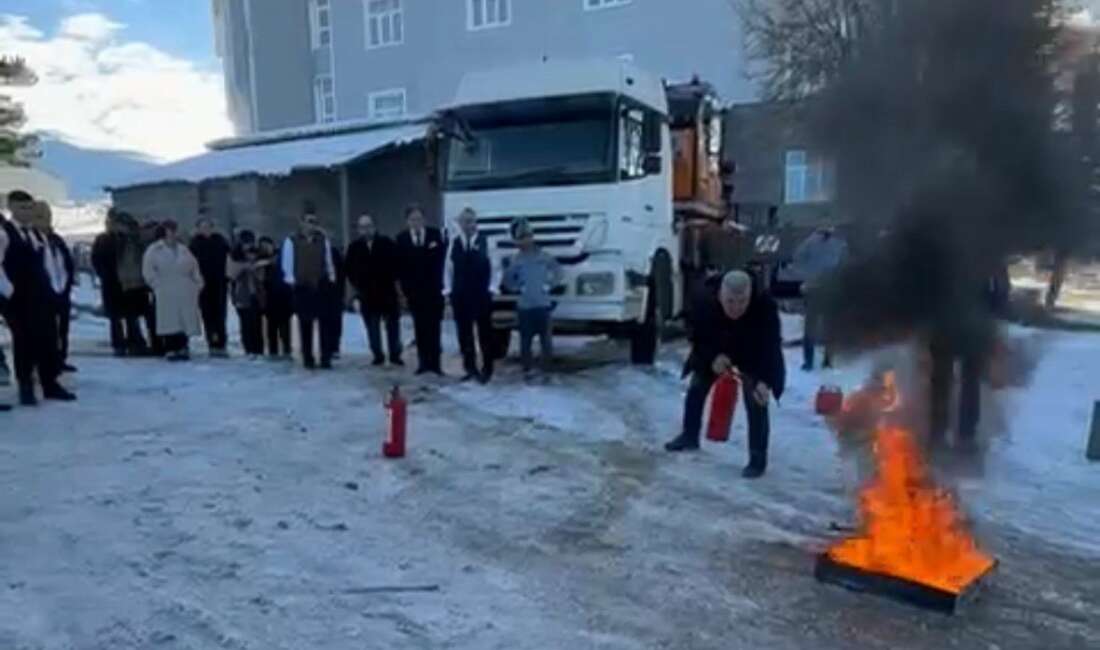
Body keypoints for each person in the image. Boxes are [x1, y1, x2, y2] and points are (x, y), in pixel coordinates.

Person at [664, 270, 786, 479]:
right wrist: (713, 358)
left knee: (756, 400)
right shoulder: (703, 300)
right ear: (720, 295)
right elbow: (696, 335)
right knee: (697, 386)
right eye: (730, 301)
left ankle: (757, 459)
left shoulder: (765, 306)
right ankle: (689, 434)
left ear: (750, 296)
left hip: (751, 354)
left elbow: (771, 347)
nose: (736, 308)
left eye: (742, 301)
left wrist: (765, 381)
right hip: (715, 347)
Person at [0, 190, 76, 405]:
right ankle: (26, 387)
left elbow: (49, 264)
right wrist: (9, 292)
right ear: (12, 208)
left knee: (48, 339)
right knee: (24, 343)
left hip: (41, 297)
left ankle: (49, 382)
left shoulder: (35, 234)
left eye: (29, 208)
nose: (27, 212)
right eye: (22, 208)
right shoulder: (4, 234)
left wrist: (54, 289)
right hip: (19, 300)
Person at [928, 264, 1011, 450]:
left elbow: (1000, 287)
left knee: (948, 381)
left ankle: (944, 433)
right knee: (961, 381)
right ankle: (958, 434)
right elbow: (1001, 288)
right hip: (960, 323)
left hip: (957, 323)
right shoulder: (986, 248)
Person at [444, 208, 499, 383]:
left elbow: (496, 268)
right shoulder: (454, 243)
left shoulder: (487, 242)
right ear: (459, 224)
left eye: (471, 221)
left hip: (481, 294)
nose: (468, 225)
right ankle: (470, 368)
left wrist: (492, 289)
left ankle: (487, 368)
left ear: (476, 222)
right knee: (464, 333)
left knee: (485, 332)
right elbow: (448, 269)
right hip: (460, 295)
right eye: (464, 221)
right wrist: (448, 291)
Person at [503, 218, 562, 380]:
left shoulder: (545, 256)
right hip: (525, 307)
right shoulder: (515, 259)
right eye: (521, 238)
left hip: (543, 305)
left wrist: (549, 285)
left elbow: (558, 272)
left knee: (546, 342)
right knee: (525, 342)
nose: (525, 241)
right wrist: (517, 288)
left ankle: (547, 372)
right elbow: (508, 280)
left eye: (527, 236)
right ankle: (527, 371)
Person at [281, 207, 337, 369]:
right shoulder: (291, 241)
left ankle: (325, 357)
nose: (312, 225)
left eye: (315, 222)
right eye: (309, 221)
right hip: (302, 287)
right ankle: (308, 357)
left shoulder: (322, 240)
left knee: (324, 322)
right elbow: (288, 264)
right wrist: (292, 281)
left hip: (320, 285)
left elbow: (328, 261)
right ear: (302, 223)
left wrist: (331, 277)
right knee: (305, 323)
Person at [345, 214, 403, 366]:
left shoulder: (387, 243)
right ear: (358, 230)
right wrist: (358, 287)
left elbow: (397, 265)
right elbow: (349, 270)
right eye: (362, 227)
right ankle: (378, 355)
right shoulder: (354, 248)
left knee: (392, 326)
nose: (366, 230)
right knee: (372, 327)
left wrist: (394, 284)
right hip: (367, 294)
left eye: (369, 226)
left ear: (374, 227)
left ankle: (395, 354)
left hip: (387, 292)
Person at [142, 220, 204, 361]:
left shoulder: (183, 249)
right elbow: (148, 270)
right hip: (165, 288)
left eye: (173, 230)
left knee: (184, 318)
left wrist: (197, 283)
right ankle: (171, 348)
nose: (172, 233)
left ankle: (183, 346)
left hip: (184, 287)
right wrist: (156, 285)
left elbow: (194, 267)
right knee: (169, 319)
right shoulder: (154, 250)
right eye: (169, 230)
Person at [396, 205, 446, 376]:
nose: (416, 222)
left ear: (424, 220)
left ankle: (436, 364)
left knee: (434, 328)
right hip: (415, 292)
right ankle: (423, 363)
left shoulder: (435, 235)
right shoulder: (402, 239)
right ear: (407, 221)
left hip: (434, 290)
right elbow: (401, 267)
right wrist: (404, 291)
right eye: (412, 219)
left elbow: (441, 262)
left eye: (419, 219)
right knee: (420, 328)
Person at [790, 226, 847, 370]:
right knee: (830, 325)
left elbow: (797, 258)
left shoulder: (809, 242)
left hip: (813, 289)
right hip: (830, 288)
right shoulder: (838, 243)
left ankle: (808, 362)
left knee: (810, 327)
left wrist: (805, 276)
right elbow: (844, 263)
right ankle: (828, 360)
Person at [36, 202, 77, 373]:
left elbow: (67, 263)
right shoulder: (33, 240)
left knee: (62, 329)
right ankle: (45, 364)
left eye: (47, 216)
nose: (45, 220)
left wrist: (67, 286)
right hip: (43, 296)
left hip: (61, 293)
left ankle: (60, 359)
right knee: (45, 332)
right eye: (41, 216)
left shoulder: (56, 240)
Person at [190, 217, 231, 357]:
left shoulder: (220, 241)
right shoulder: (194, 244)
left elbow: (230, 258)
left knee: (220, 312)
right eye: (203, 227)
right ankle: (211, 340)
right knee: (207, 313)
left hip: (219, 282)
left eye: (208, 226)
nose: (206, 229)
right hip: (202, 283)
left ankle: (222, 340)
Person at [226, 230, 269, 358]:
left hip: (257, 294)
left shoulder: (258, 254)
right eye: (245, 243)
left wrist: (256, 267)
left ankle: (258, 349)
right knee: (246, 323)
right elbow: (230, 274)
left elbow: (263, 275)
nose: (248, 246)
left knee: (257, 323)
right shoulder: (234, 255)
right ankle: (249, 349)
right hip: (241, 294)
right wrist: (245, 267)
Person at [92, 211, 126, 355]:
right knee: (114, 316)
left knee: (130, 314)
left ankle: (134, 341)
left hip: (125, 281)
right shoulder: (101, 239)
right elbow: (96, 259)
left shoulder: (124, 239)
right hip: (110, 281)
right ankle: (118, 344)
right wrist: (103, 274)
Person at [258, 236, 293, 359]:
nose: (266, 248)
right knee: (271, 326)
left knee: (285, 325)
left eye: (267, 245)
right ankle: (273, 350)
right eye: (263, 246)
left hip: (283, 295)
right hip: (269, 296)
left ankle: (287, 349)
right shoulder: (260, 260)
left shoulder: (281, 257)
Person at [322, 243, 346, 362]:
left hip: (335, 292)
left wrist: (341, 293)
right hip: (322, 292)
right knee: (326, 322)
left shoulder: (334, 252)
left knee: (335, 321)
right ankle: (328, 346)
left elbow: (341, 273)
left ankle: (334, 346)